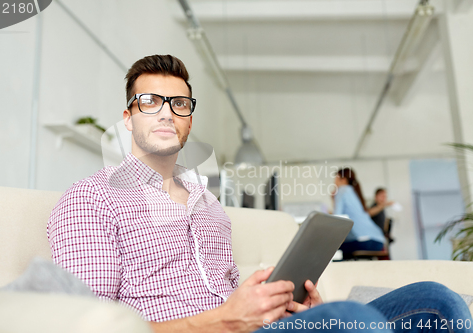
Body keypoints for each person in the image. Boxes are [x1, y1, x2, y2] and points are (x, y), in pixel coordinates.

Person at [48, 55, 471, 333]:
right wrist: (223, 319)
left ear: (189, 120)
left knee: (437, 300)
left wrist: (283, 305)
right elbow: (88, 323)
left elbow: (230, 293)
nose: (166, 112)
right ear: (128, 117)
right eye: (150, 101)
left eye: (179, 104)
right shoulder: (92, 199)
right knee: (351, 317)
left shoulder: (209, 205)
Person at [333, 168, 386, 257]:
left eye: (336, 178)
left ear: (343, 179)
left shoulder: (341, 190)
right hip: (378, 241)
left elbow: (337, 218)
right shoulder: (354, 192)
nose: (334, 182)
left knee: (330, 249)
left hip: (364, 241)